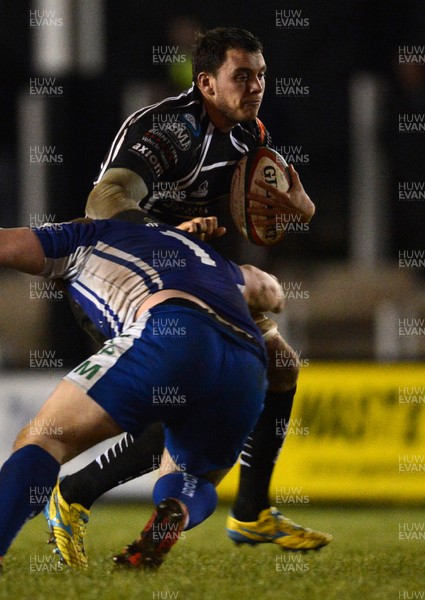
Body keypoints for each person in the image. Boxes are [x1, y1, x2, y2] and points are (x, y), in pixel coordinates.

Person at [44, 27, 332, 565]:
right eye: (241, 77)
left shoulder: (250, 135)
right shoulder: (168, 128)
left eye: (261, 76)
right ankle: (73, 494)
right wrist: (167, 234)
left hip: (192, 276)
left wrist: (302, 207)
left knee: (281, 364)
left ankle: (250, 512)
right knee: (182, 394)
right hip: (115, 270)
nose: (255, 87)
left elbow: (282, 205)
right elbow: (104, 200)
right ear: (206, 82)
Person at [0, 215, 286, 571]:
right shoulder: (201, 253)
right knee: (192, 477)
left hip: (174, 331)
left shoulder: (84, 234)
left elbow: (6, 245)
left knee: (43, 440)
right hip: (248, 363)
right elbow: (269, 292)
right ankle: (174, 511)